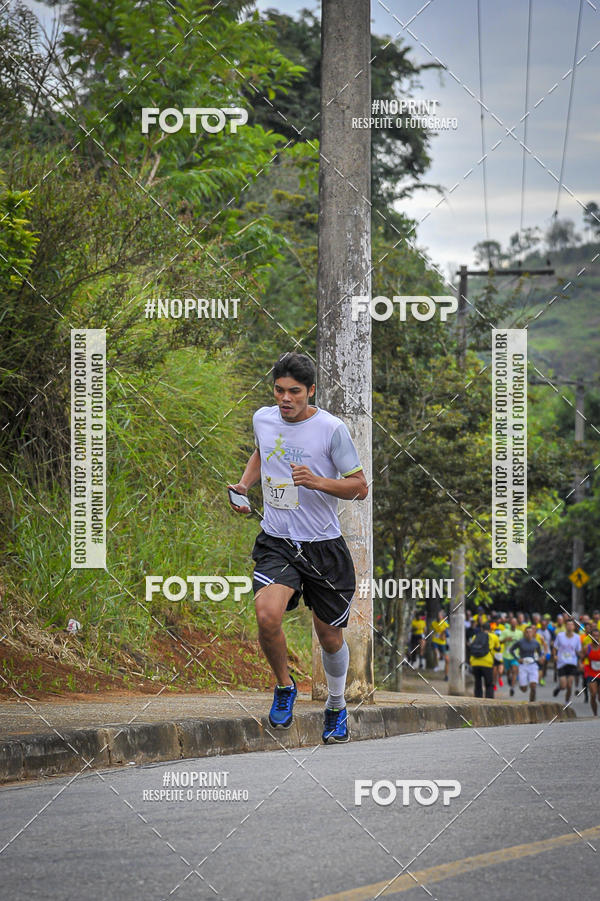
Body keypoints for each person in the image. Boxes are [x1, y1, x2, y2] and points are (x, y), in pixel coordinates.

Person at [228, 352, 368, 744]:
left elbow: (359, 487)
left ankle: (337, 706)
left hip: (323, 548)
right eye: (279, 390)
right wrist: (244, 485)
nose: (285, 399)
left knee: (330, 638)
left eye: (294, 392)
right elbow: (262, 451)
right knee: (267, 615)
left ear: (310, 391)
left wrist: (317, 481)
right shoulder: (263, 418)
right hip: (278, 540)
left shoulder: (331, 429)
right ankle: (285, 686)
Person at [552, 618, 582, 704]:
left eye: (571, 625)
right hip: (561, 663)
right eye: (568, 625)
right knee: (564, 686)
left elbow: (578, 651)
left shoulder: (577, 637)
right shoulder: (560, 636)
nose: (569, 626)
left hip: (572, 663)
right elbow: (555, 647)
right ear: (565, 626)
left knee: (569, 685)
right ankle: (559, 687)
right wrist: (554, 655)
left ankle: (566, 701)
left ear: (573, 627)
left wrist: (580, 662)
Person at [468, 621, 500, 699]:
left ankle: (478, 701)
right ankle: (488, 703)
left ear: (482, 629)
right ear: (490, 629)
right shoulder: (494, 636)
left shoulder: (475, 636)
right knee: (489, 684)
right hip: (487, 663)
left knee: (478, 683)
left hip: (475, 663)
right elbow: (498, 648)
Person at [510, 625, 541, 702]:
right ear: (524, 633)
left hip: (533, 665)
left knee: (533, 686)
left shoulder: (536, 643)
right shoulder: (520, 642)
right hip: (523, 665)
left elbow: (540, 653)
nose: (529, 634)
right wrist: (517, 659)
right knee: (524, 689)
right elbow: (511, 650)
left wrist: (539, 658)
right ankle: (522, 685)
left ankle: (532, 704)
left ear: (533, 633)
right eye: (527, 632)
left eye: (530, 632)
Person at [498, 617, 522, 696]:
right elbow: (500, 641)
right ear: (510, 623)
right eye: (512, 622)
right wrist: (506, 639)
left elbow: (522, 643)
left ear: (517, 624)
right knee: (508, 671)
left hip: (515, 656)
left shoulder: (520, 633)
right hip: (506, 656)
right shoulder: (505, 632)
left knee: (515, 670)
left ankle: (512, 688)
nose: (514, 624)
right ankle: (508, 677)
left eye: (515, 622)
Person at [583, 627, 600, 716]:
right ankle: (595, 714)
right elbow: (581, 658)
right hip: (591, 673)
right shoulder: (587, 648)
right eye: (594, 636)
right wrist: (581, 664)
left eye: (597, 636)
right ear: (591, 637)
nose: (595, 638)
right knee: (593, 694)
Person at [431, 610, 450, 681]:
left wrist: (443, 634)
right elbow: (431, 631)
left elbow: (447, 635)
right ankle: (437, 665)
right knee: (436, 653)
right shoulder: (433, 623)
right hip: (435, 641)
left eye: (440, 615)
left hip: (442, 643)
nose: (438, 616)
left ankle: (446, 675)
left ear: (442, 616)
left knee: (447, 660)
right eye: (438, 615)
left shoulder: (445, 624)